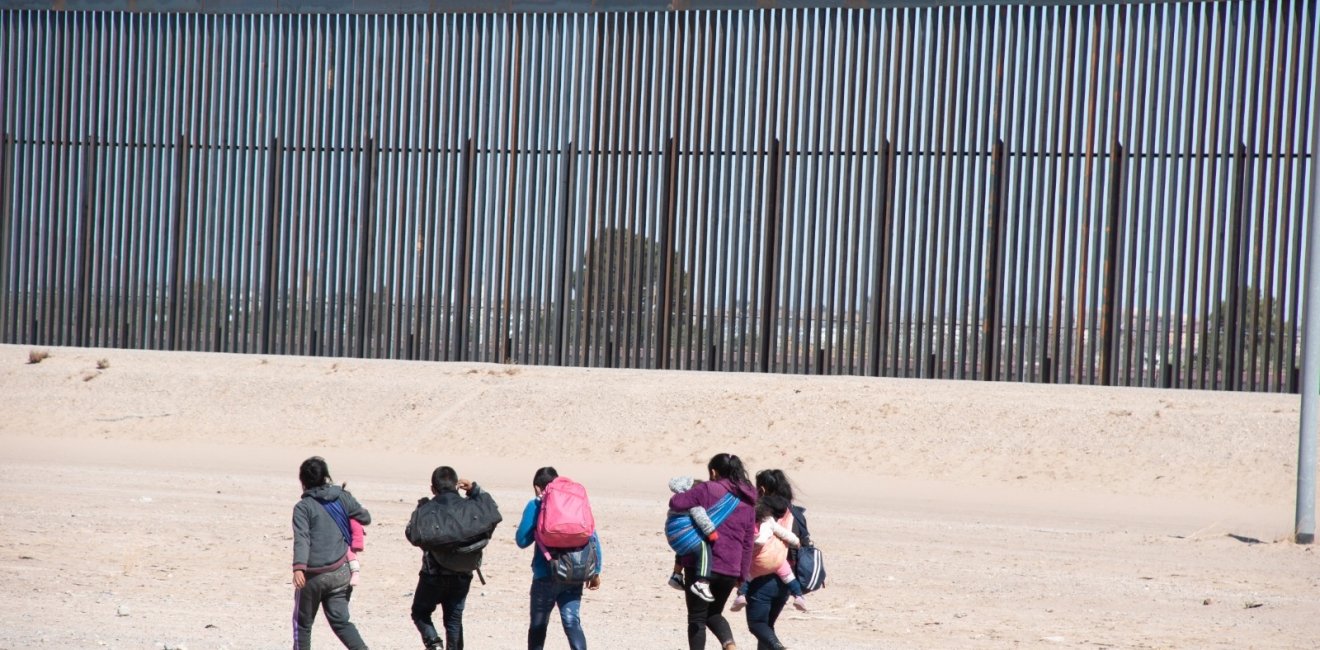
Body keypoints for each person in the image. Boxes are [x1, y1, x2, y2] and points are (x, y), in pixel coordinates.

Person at [668, 453, 758, 650]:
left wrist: (682, 488)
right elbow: (747, 542)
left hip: (702, 567)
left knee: (697, 618)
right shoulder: (748, 502)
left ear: (713, 472)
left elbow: (676, 503)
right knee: (714, 613)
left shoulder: (707, 488)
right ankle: (730, 646)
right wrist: (741, 576)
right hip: (731, 568)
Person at [405, 466, 499, 650]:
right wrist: (474, 490)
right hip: (463, 574)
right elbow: (492, 510)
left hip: (433, 575)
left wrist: (420, 510)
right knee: (454, 621)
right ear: (457, 486)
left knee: (420, 613)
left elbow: (412, 535)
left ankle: (434, 644)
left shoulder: (427, 509)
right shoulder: (470, 506)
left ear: (433, 488)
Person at [515, 466, 603, 650]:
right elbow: (592, 536)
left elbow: (522, 540)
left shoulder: (536, 504)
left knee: (539, 625)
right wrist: (596, 571)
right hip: (575, 572)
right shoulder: (575, 501)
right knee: (572, 623)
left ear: (538, 488)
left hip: (545, 574)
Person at [291, 456, 371, 650]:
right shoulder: (342, 497)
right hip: (341, 572)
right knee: (341, 622)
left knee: (303, 625)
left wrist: (299, 568)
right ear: (326, 476)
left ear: (303, 481)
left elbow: (302, 538)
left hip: (314, 576)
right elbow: (365, 517)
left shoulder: (303, 508)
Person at [741, 469, 803, 650]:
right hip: (787, 577)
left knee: (757, 624)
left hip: (760, 576)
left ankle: (779, 647)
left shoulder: (759, 510)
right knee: (767, 626)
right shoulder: (795, 512)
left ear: (761, 488)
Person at [731, 493, 806, 613]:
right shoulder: (769, 521)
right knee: (789, 577)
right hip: (775, 560)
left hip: (757, 562)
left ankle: (741, 596)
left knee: (747, 577)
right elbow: (783, 533)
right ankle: (798, 596)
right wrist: (796, 541)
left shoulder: (746, 526)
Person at [665, 476, 721, 598]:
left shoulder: (676, 501)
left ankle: (676, 575)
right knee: (704, 548)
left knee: (684, 548)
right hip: (684, 537)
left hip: (675, 538)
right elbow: (702, 519)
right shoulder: (693, 503)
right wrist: (711, 532)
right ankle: (702, 582)